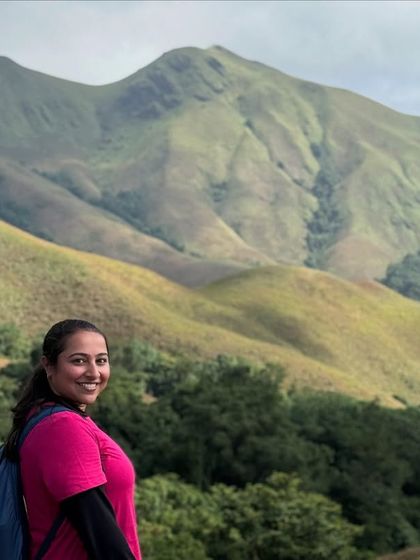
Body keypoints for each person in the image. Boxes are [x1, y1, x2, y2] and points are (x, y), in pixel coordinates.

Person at [3, 319, 142, 560]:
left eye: (101, 360)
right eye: (78, 360)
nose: (94, 372)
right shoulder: (62, 427)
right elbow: (101, 536)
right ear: (49, 365)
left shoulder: (50, 418)